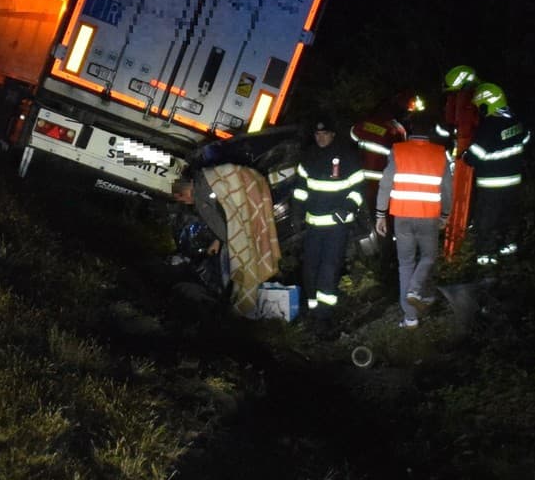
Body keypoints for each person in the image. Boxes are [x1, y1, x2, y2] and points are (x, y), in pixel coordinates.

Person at [173, 161, 283, 318]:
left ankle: (242, 311)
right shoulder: (204, 185)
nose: (187, 204)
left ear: (184, 194)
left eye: (183, 201)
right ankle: (243, 308)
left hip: (234, 239)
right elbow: (222, 214)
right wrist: (218, 240)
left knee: (237, 273)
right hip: (231, 237)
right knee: (238, 274)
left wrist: (227, 237)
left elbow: (223, 215)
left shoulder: (202, 193)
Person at [375, 112, 452, 328]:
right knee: (428, 256)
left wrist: (380, 214)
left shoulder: (398, 151)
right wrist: (445, 214)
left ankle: (410, 318)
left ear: (410, 129)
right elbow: (447, 189)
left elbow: (385, 184)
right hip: (428, 216)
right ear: (430, 131)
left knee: (405, 264)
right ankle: (415, 289)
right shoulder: (440, 153)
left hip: (402, 216)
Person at [292, 116, 363, 326]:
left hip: (336, 225)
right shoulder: (308, 157)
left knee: (329, 268)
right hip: (314, 224)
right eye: (317, 134)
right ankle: (312, 308)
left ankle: (324, 316)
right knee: (310, 268)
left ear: (333, 134)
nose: (321, 138)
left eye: (324, 134)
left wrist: (346, 209)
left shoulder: (347, 157)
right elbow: (300, 189)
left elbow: (358, 189)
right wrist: (296, 214)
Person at [465, 83, 530, 267]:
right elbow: (525, 140)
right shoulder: (516, 121)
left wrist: (464, 155)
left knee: (487, 220)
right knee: (509, 216)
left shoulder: (489, 127)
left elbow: (474, 157)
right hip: (514, 182)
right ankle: (508, 247)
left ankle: (486, 257)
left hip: (491, 185)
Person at [435, 64, 482, 261]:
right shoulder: (465, 101)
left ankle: (455, 254)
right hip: (458, 158)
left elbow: (462, 129)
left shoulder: (470, 101)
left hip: (466, 161)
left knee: (463, 204)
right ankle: (453, 252)